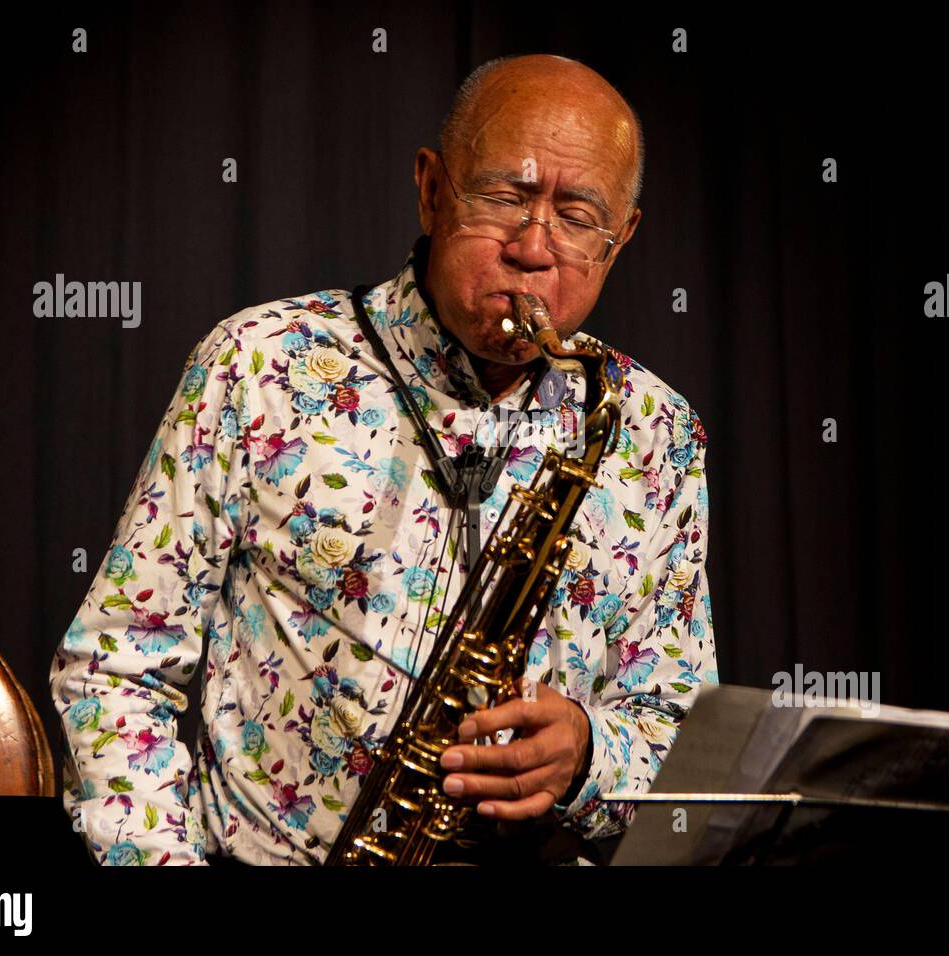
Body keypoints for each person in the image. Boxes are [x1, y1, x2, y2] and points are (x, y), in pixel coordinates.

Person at [50, 53, 717, 866]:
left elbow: (680, 740)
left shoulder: (653, 427)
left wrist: (587, 756)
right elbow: (114, 671)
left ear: (624, 237)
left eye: (577, 216)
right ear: (433, 189)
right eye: (505, 197)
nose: (533, 250)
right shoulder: (259, 363)